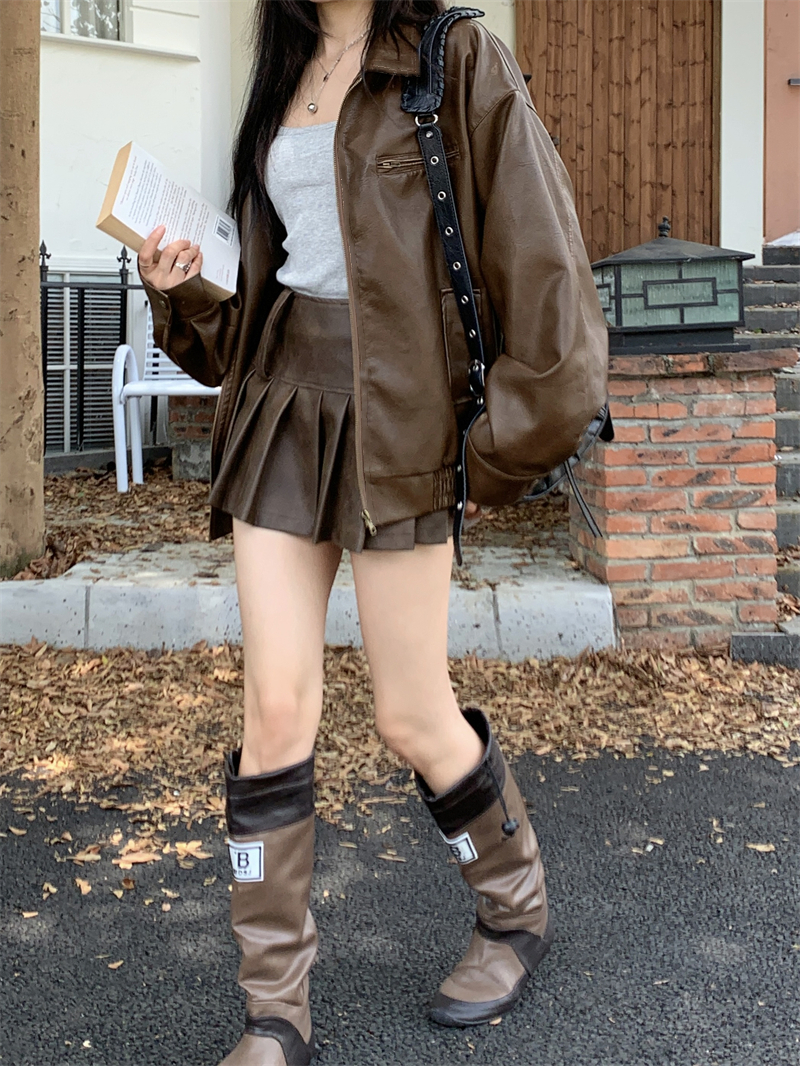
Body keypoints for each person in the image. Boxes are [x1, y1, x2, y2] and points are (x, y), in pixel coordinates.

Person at [137, 2, 608, 1063]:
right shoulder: (283, 68)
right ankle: (273, 1013)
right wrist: (185, 292)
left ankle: (514, 909)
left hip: (402, 419)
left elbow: (544, 270)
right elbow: (262, 290)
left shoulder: (453, 56)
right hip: (282, 406)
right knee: (274, 711)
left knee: (409, 710)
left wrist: (497, 451)